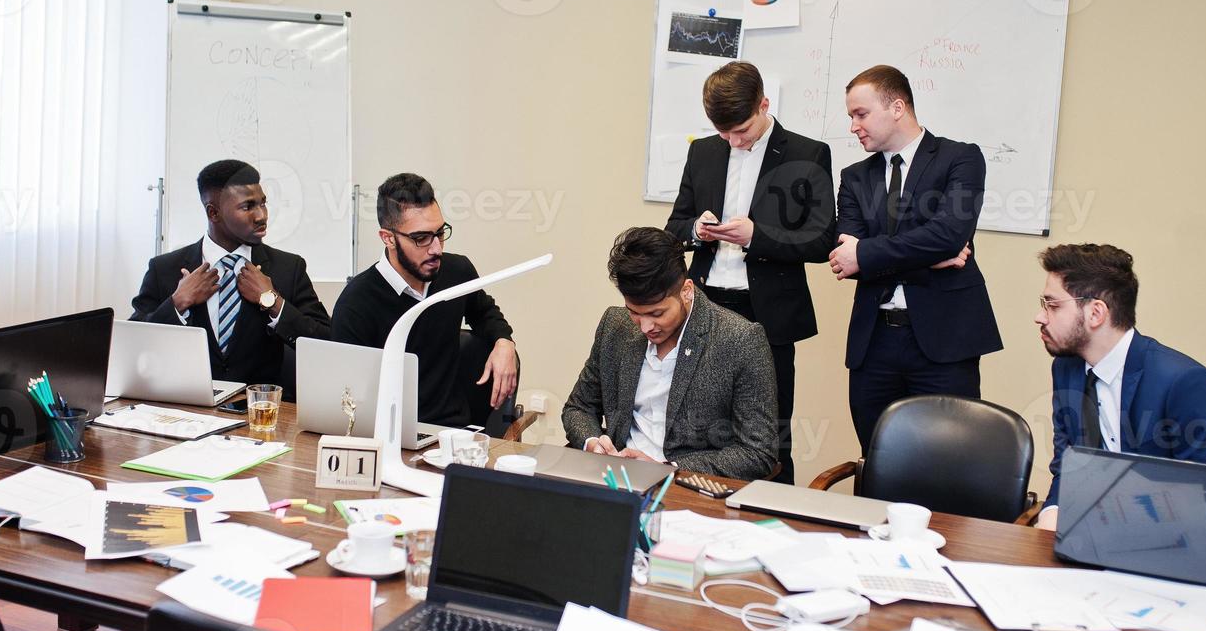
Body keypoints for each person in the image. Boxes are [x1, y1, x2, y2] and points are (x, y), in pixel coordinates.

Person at [664, 61, 834, 484]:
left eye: (741, 130)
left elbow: (821, 240)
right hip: (703, 306)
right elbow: (674, 226)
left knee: (769, 435)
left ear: (764, 103)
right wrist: (697, 231)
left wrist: (758, 236)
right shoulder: (703, 151)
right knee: (695, 429)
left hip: (768, 313)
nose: (733, 141)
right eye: (724, 133)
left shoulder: (807, 152)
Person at [829, 64, 1002, 453]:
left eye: (861, 114)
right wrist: (927, 257)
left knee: (947, 462)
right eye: (851, 116)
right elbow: (845, 257)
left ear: (897, 107)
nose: (854, 126)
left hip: (943, 342)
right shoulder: (854, 176)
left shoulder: (961, 159)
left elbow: (948, 235)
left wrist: (870, 254)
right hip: (874, 344)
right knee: (877, 458)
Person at [1034, 243, 1206, 531]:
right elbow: (1069, 465)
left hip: (1192, 545)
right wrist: (1051, 515)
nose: (1040, 317)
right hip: (1106, 540)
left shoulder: (1185, 382)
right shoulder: (1067, 368)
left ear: (1096, 313)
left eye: (1052, 305)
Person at [562, 226, 778, 480]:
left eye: (657, 314)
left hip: (689, 489)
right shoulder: (614, 326)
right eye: (634, 311)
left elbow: (757, 452)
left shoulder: (739, 339)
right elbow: (578, 407)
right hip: (615, 480)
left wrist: (667, 468)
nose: (645, 327)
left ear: (686, 291)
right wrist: (593, 443)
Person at [332, 173, 518, 428]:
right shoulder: (356, 303)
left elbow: (484, 311)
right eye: (421, 238)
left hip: (453, 433)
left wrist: (504, 342)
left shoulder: (456, 271)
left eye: (440, 233)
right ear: (388, 238)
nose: (436, 249)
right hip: (387, 434)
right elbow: (348, 399)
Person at [131, 159, 331, 389]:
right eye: (247, 207)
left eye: (263, 203)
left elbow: (325, 342)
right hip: (185, 413)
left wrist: (273, 302)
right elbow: (133, 348)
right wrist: (177, 303)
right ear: (213, 213)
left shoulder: (289, 268)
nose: (261, 216)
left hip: (260, 415)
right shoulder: (164, 269)